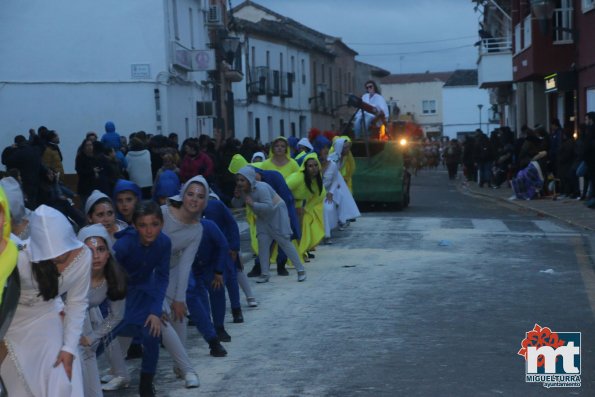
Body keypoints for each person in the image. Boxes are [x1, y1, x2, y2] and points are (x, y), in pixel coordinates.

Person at [1, 205, 91, 397]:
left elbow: (77, 302)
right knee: (18, 386)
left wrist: (69, 347)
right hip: (13, 322)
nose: (57, 258)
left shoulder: (84, 255)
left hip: (47, 316)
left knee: (62, 377)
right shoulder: (21, 256)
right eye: (49, 257)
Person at [161, 175, 227, 362]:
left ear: (205, 201)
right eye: (190, 194)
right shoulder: (163, 213)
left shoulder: (200, 228)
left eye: (200, 196)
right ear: (183, 195)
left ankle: (211, 339)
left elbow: (186, 263)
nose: (194, 199)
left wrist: (218, 271)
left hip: (177, 268)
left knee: (189, 295)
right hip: (148, 269)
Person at [110, 201, 170, 397]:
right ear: (135, 226)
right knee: (106, 334)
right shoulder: (123, 245)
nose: (149, 230)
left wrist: (155, 310)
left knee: (152, 333)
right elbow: (109, 275)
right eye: (143, 225)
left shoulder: (164, 242)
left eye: (154, 224)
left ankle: (146, 383)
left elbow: (162, 277)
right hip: (119, 291)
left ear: (162, 223)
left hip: (146, 290)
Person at [77, 224, 127, 397]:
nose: (96, 256)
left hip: (81, 318)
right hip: (54, 321)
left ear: (108, 252)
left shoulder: (114, 276)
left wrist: (92, 337)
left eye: (100, 249)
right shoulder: (71, 276)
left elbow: (117, 315)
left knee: (87, 352)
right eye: (89, 250)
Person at [236, 166, 306, 283]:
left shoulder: (261, 188)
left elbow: (268, 207)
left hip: (277, 214)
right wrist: (237, 197)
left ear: (249, 179)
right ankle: (265, 274)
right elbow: (237, 204)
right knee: (262, 245)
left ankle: (301, 270)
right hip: (262, 217)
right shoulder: (243, 191)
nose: (239, 183)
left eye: (242, 180)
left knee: (285, 243)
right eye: (238, 180)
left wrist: (253, 204)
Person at [286, 153, 326, 260]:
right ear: (305, 167)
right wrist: (295, 206)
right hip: (285, 203)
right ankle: (297, 255)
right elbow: (284, 190)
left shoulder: (316, 179)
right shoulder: (299, 177)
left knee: (302, 228)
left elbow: (319, 195)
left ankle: (302, 252)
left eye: (315, 165)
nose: (313, 168)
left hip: (297, 205)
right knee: (293, 231)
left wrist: (305, 208)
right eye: (310, 166)